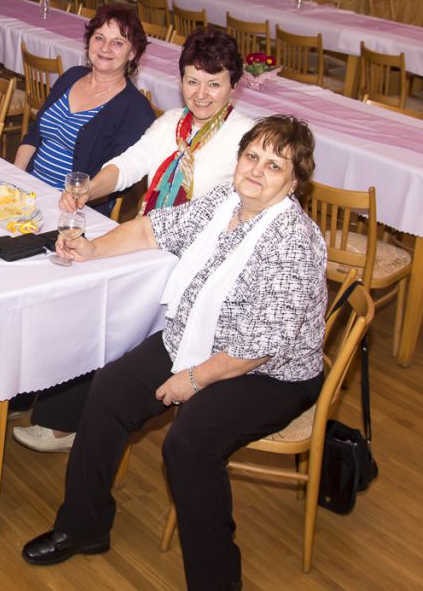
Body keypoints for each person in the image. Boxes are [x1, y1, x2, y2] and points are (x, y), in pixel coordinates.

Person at [21, 116, 326, 591]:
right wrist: (91, 249)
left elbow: (260, 347)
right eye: (252, 156)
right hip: (195, 340)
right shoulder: (224, 201)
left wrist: (196, 378)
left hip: (270, 376)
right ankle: (84, 526)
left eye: (274, 165)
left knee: (188, 445)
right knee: (109, 390)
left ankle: (216, 583)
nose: (256, 170)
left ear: (294, 183)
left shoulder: (294, 242)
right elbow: (153, 230)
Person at [14, 26, 255, 453]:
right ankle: (35, 388)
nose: (201, 94)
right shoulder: (171, 124)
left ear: (232, 85)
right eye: (192, 81)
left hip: (197, 264)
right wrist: (91, 188)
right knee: (74, 283)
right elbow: (129, 164)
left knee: (98, 307)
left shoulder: (245, 139)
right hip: (149, 242)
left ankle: (64, 420)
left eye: (214, 84)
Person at [13, 5, 154, 216]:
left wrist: (76, 197)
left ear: (132, 53)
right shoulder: (71, 77)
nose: (105, 48)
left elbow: (117, 175)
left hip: (74, 209)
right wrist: (16, 178)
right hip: (31, 190)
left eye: (117, 43)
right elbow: (34, 134)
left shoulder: (135, 110)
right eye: (99, 38)